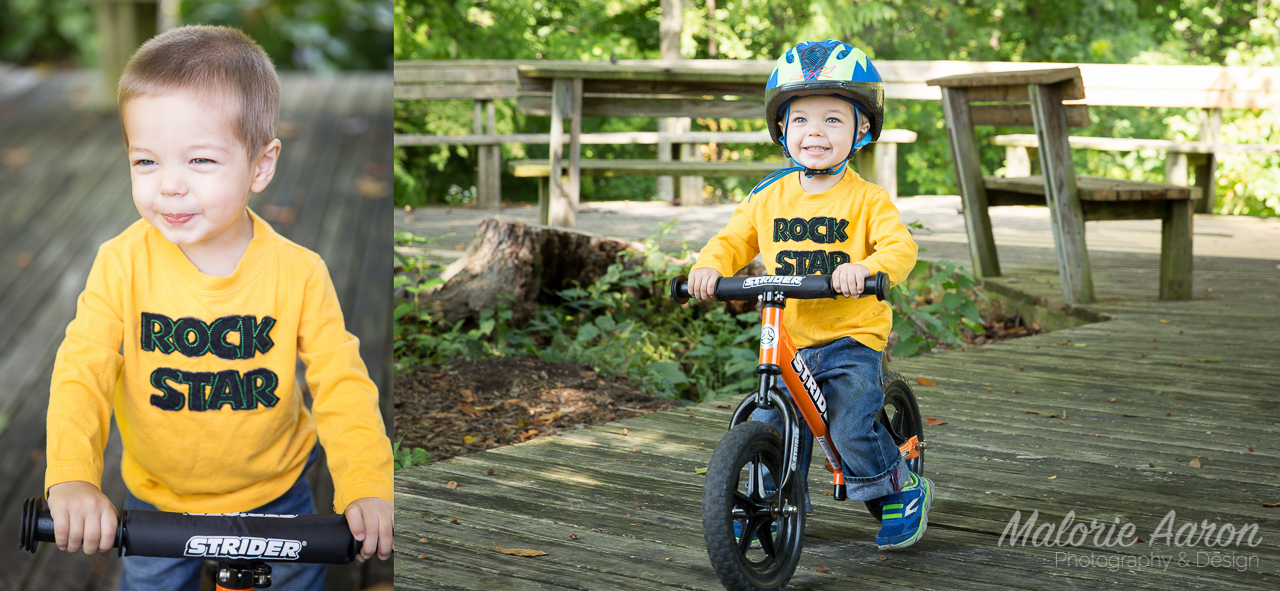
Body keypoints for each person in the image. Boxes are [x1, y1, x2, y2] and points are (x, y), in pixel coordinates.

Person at [42, 25, 394, 589]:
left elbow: (342, 383)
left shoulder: (299, 273)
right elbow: (82, 371)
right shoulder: (121, 264)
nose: (170, 186)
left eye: (201, 161)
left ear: (261, 165)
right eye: (146, 162)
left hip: (278, 494)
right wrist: (73, 477)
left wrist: (367, 483)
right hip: (157, 498)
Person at [687, 40, 929, 550]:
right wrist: (710, 267)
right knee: (766, 417)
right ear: (782, 130)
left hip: (849, 337)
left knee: (849, 422)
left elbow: (899, 247)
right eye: (800, 120)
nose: (815, 132)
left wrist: (865, 267)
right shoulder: (768, 195)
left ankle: (900, 490)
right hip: (788, 337)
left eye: (833, 121)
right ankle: (772, 503)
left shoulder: (867, 199)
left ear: (862, 129)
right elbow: (733, 240)